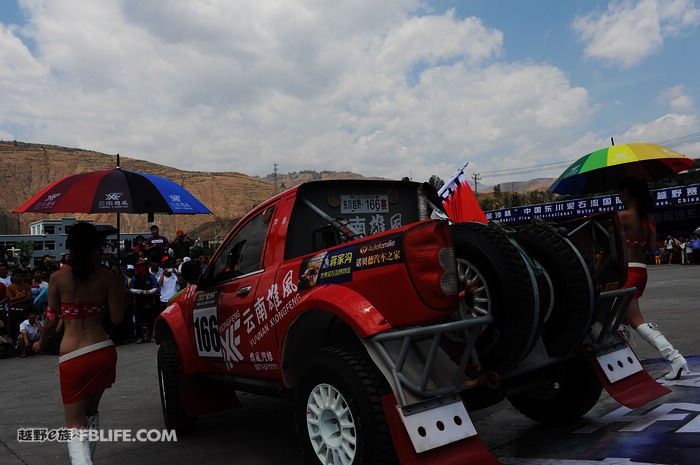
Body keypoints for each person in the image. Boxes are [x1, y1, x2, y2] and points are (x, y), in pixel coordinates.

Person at [32, 222, 124, 464]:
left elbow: (51, 320)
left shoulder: (57, 278)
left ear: (70, 247)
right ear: (98, 249)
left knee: (74, 424)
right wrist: (118, 288)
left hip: (73, 356)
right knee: (90, 413)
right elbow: (117, 318)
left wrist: (40, 343)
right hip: (102, 351)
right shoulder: (109, 278)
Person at [618, 177, 689, 380]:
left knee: (635, 320)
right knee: (619, 318)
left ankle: (675, 358)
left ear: (629, 194)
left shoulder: (622, 216)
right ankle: (631, 362)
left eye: (621, 192)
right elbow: (651, 249)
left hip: (628, 271)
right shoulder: (649, 218)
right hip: (642, 271)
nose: (619, 196)